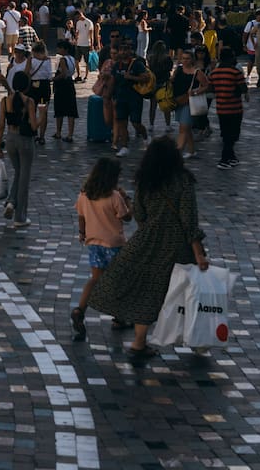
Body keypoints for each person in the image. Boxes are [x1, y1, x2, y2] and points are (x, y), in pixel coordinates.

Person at [87, 138, 209, 361]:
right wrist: (199, 253)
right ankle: (198, 339)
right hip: (177, 245)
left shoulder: (145, 181)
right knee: (190, 290)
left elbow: (141, 216)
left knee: (148, 292)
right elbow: (189, 220)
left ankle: (138, 343)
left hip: (147, 240)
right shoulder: (183, 181)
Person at [69, 157, 132, 341]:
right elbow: (127, 217)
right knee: (119, 279)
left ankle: (80, 309)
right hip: (114, 244)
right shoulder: (114, 196)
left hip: (94, 243)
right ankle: (119, 317)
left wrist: (82, 232)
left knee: (95, 279)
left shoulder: (84, 194)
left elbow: (81, 216)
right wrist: (127, 199)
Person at [0, 73, 41, 229]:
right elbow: (34, 127)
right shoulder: (29, 101)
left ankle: (11, 202)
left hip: (10, 139)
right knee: (24, 178)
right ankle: (20, 216)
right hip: (25, 141)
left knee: (18, 173)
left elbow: (1, 124)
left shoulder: (5, 101)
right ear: (27, 85)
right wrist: (42, 115)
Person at [208, 47, 248, 169]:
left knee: (225, 133)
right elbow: (243, 88)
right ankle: (224, 159)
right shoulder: (235, 72)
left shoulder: (214, 73)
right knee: (233, 134)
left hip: (221, 108)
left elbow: (211, 89)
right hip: (234, 108)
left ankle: (232, 157)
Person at [170, 47, 208, 160]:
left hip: (189, 102)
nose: (185, 61)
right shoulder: (178, 70)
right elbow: (173, 81)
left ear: (192, 60)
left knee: (183, 127)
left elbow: (206, 85)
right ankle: (192, 151)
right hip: (178, 101)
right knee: (186, 128)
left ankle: (177, 152)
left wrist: (195, 92)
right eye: (183, 58)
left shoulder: (197, 72)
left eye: (187, 58)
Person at [51, 40, 78, 142]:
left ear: (65, 49)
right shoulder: (72, 58)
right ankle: (70, 134)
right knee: (71, 110)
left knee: (60, 109)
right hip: (70, 84)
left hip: (62, 85)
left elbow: (63, 74)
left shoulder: (63, 59)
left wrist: (53, 79)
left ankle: (59, 132)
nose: (58, 49)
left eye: (60, 48)